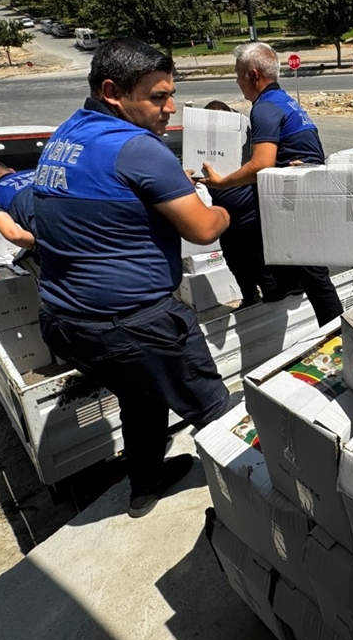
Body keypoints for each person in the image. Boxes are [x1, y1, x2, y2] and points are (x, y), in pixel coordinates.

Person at [33, 38, 232, 518]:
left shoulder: (66, 136)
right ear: (112, 92)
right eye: (157, 97)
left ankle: (146, 483)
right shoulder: (139, 149)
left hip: (67, 322)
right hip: (135, 322)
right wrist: (224, 207)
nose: (170, 109)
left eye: (172, 95)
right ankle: (256, 500)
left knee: (140, 398)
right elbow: (203, 230)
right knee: (217, 413)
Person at [195, 42, 343, 326]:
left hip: (297, 198)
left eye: (238, 76)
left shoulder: (263, 109)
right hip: (307, 189)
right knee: (311, 274)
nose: (238, 83)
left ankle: (338, 336)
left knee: (315, 278)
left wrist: (222, 181)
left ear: (253, 75)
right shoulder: (286, 101)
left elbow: (261, 164)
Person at [201, 100, 275, 308]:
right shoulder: (203, 148)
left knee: (260, 263)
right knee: (235, 262)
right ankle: (250, 297)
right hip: (225, 220)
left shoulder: (244, 142)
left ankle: (272, 298)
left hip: (250, 217)